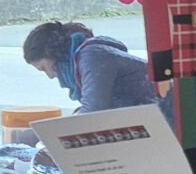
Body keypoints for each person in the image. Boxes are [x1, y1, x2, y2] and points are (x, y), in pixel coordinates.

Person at [22, 21, 162, 114]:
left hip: (167, 115)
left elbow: (94, 111)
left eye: (44, 68)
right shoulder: (89, 54)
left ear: (52, 53)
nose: (50, 76)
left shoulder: (91, 55)